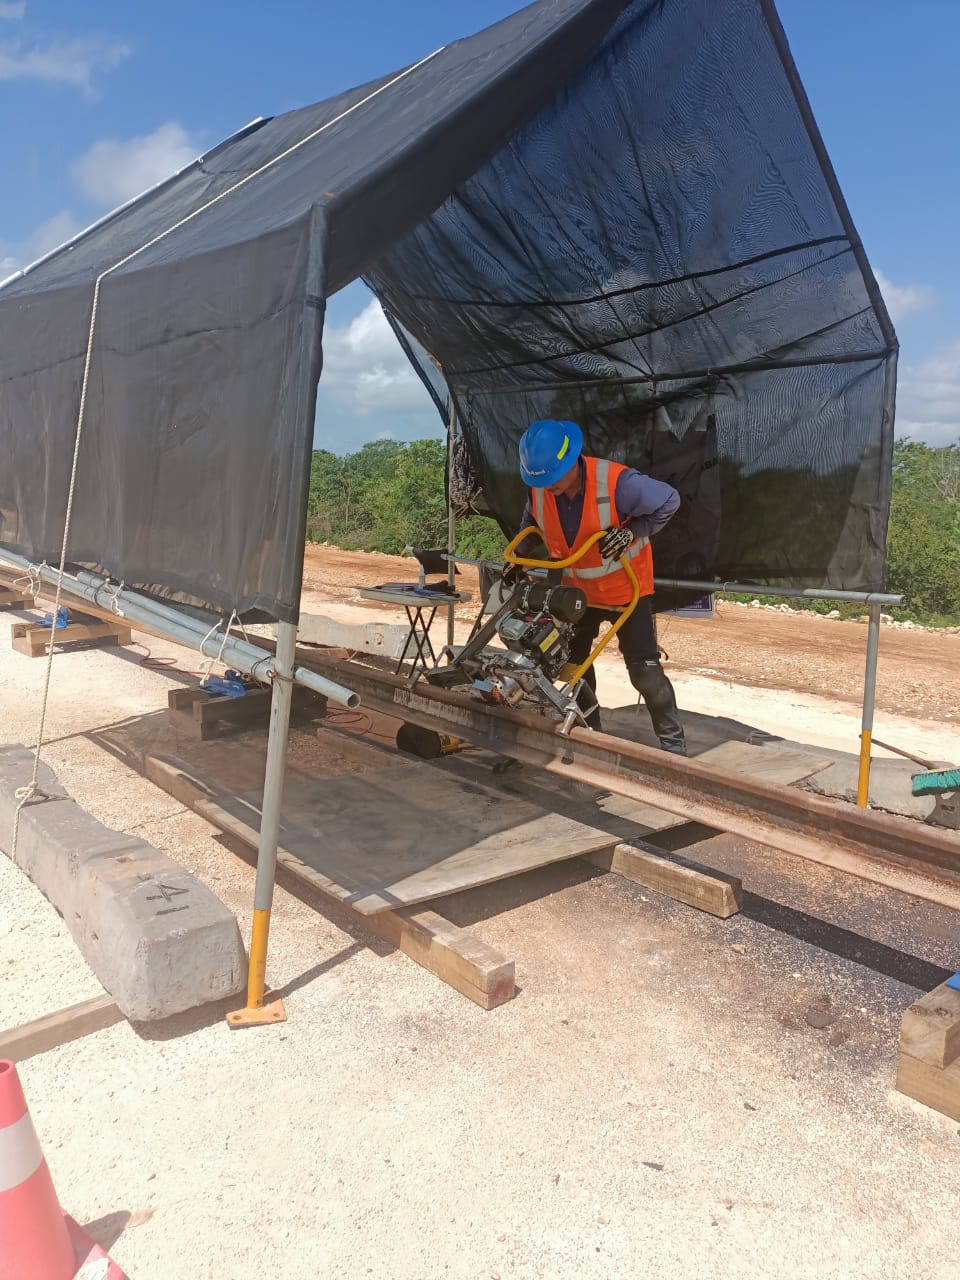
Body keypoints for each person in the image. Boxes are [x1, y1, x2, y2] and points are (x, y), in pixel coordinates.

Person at [511, 418, 686, 755]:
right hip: (577, 593)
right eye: (542, 481)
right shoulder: (541, 486)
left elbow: (669, 501)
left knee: (645, 672)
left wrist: (632, 532)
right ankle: (591, 735)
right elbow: (532, 520)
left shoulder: (619, 483)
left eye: (552, 480)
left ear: (571, 461)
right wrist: (518, 555)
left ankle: (674, 747)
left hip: (627, 589)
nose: (548, 488)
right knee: (573, 668)